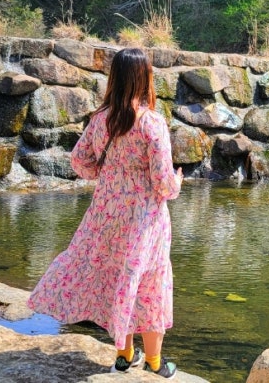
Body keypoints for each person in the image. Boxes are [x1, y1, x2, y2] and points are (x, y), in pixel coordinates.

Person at [27, 47, 183, 378]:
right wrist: (178, 183)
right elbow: (163, 185)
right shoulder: (151, 123)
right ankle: (155, 363)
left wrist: (107, 173)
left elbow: (79, 161)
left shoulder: (102, 119)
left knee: (117, 280)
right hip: (144, 220)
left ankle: (125, 355)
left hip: (105, 214)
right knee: (149, 285)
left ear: (114, 78)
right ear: (145, 78)